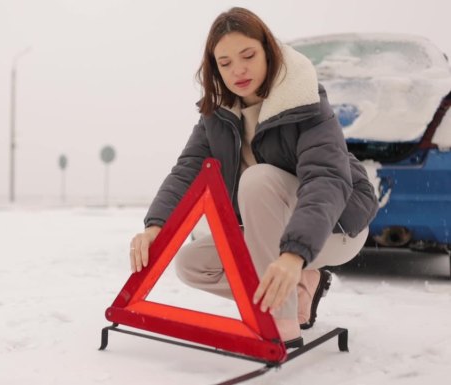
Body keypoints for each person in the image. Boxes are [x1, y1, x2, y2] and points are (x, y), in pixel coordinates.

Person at [128, 7, 379, 347]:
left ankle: (280, 323)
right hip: (271, 234)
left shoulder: (304, 100)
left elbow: (327, 179)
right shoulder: (217, 116)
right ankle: (301, 287)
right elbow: (187, 170)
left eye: (248, 55)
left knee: (258, 179)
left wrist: (294, 254)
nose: (238, 70)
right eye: (225, 62)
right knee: (193, 264)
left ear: (268, 52)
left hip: (336, 226)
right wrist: (154, 226)